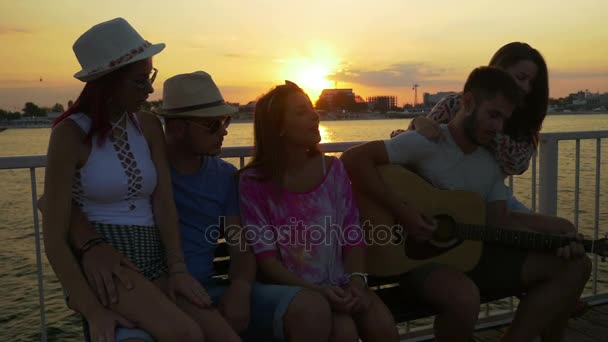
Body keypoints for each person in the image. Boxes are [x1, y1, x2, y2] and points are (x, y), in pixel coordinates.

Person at [64, 71, 333, 341]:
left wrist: (239, 288)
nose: (224, 129)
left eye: (225, 120)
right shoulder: (139, 173)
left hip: (204, 288)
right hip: (148, 292)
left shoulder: (224, 177)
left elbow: (240, 244)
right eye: (213, 124)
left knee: (310, 309)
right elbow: (65, 205)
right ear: (178, 128)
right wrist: (90, 246)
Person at [342, 66, 591, 342]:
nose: (498, 127)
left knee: (574, 267)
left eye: (504, 120)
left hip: (470, 256)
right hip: (417, 259)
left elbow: (501, 221)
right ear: (469, 102)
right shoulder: (428, 142)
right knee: (464, 297)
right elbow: (352, 160)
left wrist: (558, 235)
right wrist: (404, 210)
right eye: (493, 115)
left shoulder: (490, 163)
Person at [41, 18, 221, 342]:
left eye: (150, 76)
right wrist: (93, 312)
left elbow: (163, 201)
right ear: (108, 83)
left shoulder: (148, 125)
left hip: (153, 256)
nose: (150, 89)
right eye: (140, 81)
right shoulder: (69, 135)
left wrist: (177, 269)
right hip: (107, 265)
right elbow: (53, 237)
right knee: (187, 334)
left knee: (221, 335)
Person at [239, 81, 400, 341]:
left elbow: (352, 235)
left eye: (311, 108)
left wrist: (357, 282)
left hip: (342, 284)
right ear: (278, 127)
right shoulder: (253, 183)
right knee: (344, 332)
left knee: (383, 327)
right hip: (295, 292)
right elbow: (267, 260)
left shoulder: (333, 170)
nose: (315, 115)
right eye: (301, 112)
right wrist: (317, 291)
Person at [392, 42, 549, 212]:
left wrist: (483, 124)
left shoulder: (522, 124)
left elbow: (517, 165)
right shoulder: (455, 104)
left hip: (490, 197)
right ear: (498, 70)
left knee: (557, 230)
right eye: (520, 77)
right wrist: (417, 122)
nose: (526, 87)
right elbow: (418, 138)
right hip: (443, 196)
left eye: (531, 83)